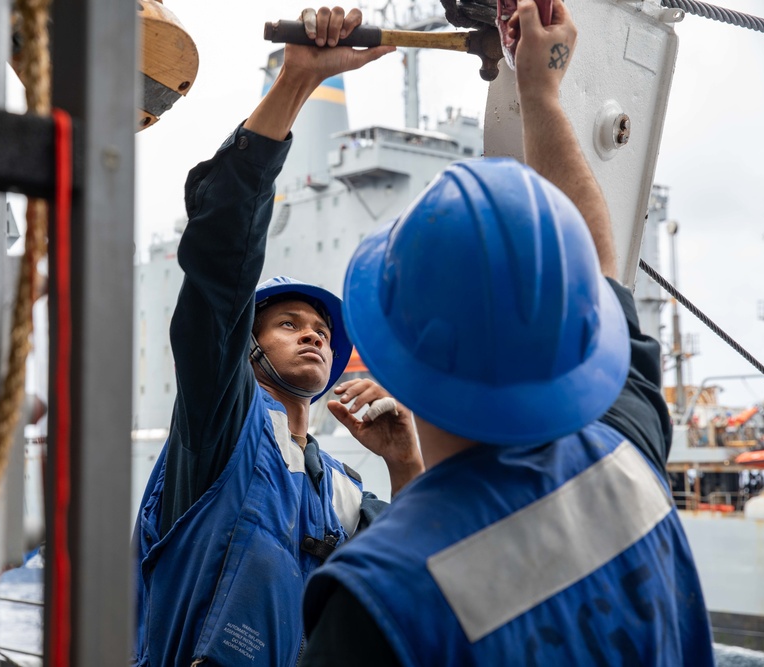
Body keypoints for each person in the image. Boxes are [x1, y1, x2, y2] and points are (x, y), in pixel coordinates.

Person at [299, 1, 716, 665]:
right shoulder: (626, 453)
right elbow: (599, 271)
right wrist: (542, 92)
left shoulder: (378, 596)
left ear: (395, 355)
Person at [131, 8, 423, 667]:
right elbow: (220, 262)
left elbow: (415, 574)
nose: (314, 336)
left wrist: (406, 462)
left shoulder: (341, 488)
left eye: (321, 330)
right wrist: (297, 82)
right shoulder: (218, 429)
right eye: (289, 323)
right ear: (247, 346)